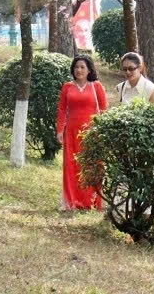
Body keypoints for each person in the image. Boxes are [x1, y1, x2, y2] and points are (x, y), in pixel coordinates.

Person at [56, 55, 107, 211]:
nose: (79, 70)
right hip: (71, 132)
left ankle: (91, 201)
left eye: (82, 67)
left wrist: (103, 130)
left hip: (92, 132)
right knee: (72, 165)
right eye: (76, 67)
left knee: (92, 165)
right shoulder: (67, 87)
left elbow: (104, 110)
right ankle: (72, 201)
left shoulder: (96, 86)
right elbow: (62, 109)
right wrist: (60, 130)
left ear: (89, 69)